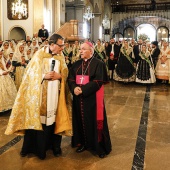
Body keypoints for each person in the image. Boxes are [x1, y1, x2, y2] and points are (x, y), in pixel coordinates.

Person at [5, 34, 72, 160]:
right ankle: (35, 149)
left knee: (54, 119)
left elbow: (65, 72)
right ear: (52, 45)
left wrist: (60, 77)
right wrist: (43, 76)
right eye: (60, 45)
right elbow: (29, 74)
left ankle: (55, 147)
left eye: (63, 45)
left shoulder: (61, 56)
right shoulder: (39, 55)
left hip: (55, 96)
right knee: (39, 121)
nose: (63, 48)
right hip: (40, 96)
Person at [68, 42, 112, 158]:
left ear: (91, 51)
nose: (80, 51)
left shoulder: (99, 64)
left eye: (83, 49)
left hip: (92, 99)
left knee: (94, 122)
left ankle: (98, 146)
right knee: (80, 121)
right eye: (80, 49)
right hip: (78, 99)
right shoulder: (76, 64)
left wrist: (83, 89)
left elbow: (98, 81)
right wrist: (74, 88)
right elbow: (71, 79)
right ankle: (82, 143)